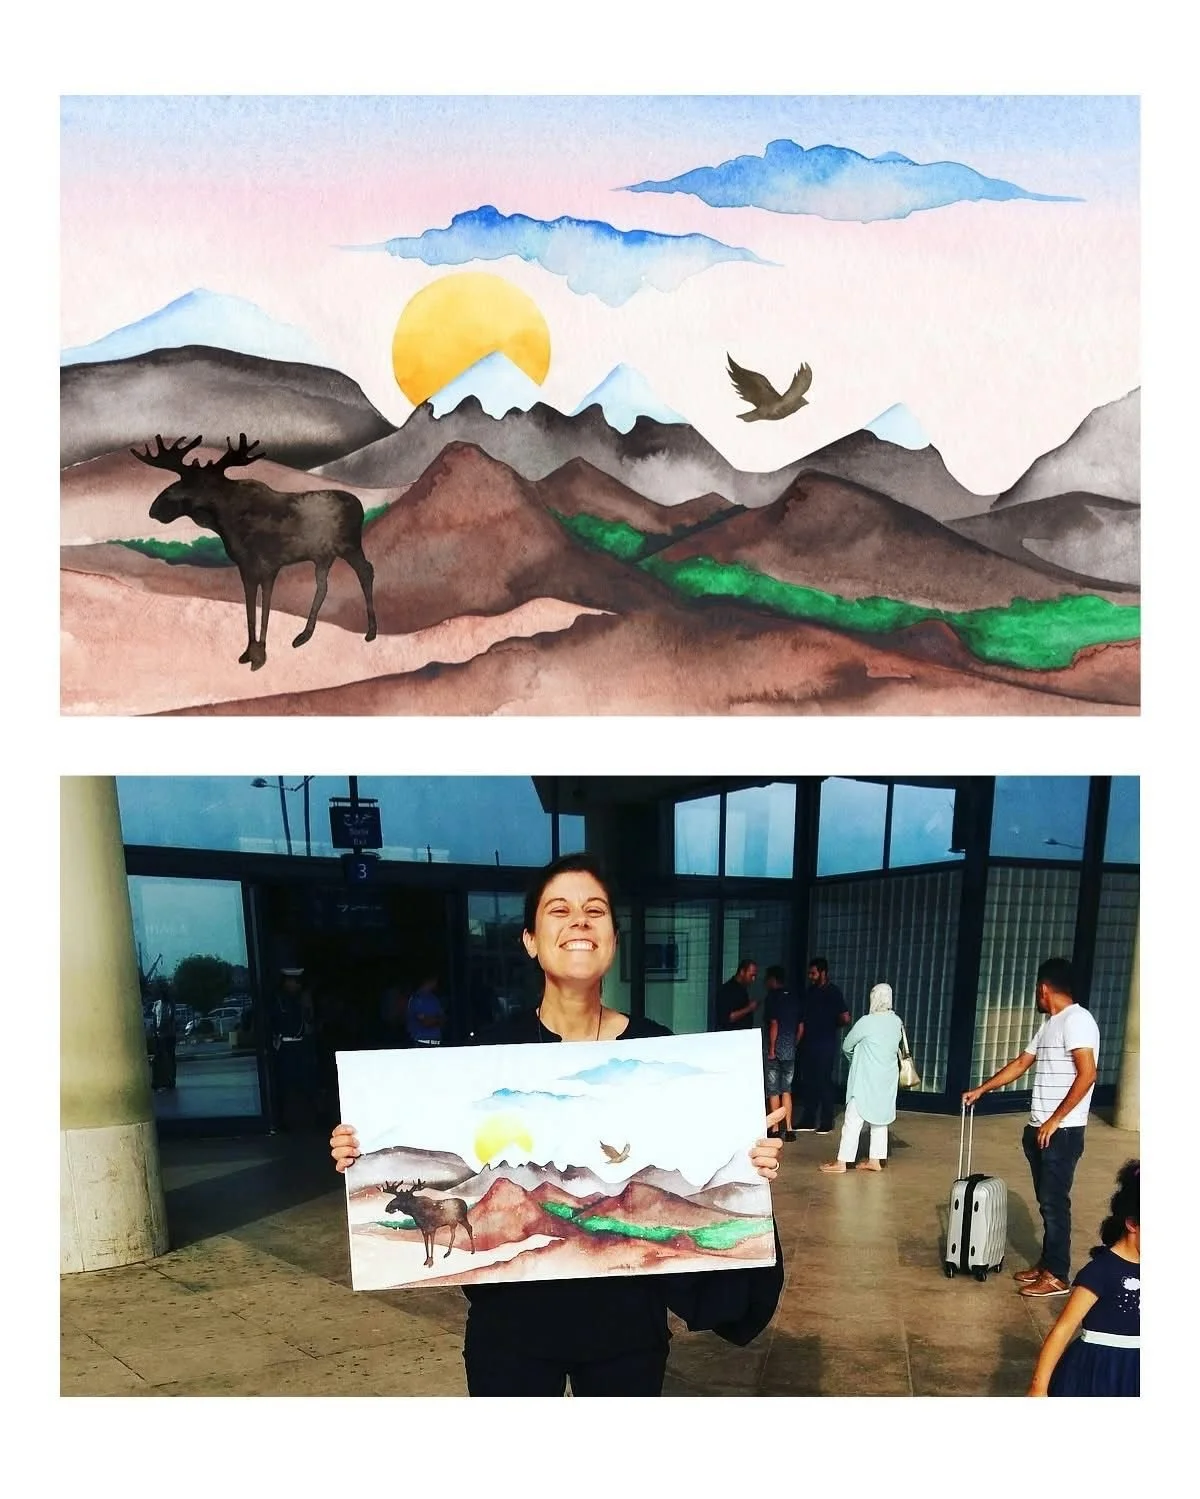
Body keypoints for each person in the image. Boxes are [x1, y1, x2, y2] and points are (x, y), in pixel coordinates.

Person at [331, 852, 786, 1398]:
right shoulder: (483, 1056)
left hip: (627, 1327)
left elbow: (704, 1158)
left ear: (613, 939)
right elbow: (420, 1134)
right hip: (512, 1328)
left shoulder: (661, 1050)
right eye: (559, 910)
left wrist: (748, 1157)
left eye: (594, 911)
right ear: (529, 939)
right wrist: (359, 1149)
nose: (579, 922)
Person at [962, 956, 1099, 1298]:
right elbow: (1022, 1063)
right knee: (1046, 1201)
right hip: (1040, 1128)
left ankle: (1057, 1275)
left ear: (1043, 988)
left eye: (1036, 991)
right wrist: (982, 1089)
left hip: (1061, 1132)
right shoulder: (1051, 1023)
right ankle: (1047, 1263)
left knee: (1055, 1204)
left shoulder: (1078, 1020)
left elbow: (1088, 1073)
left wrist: (1055, 1119)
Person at [1028, 1160, 1139, 1396]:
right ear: (1132, 1224)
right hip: (1098, 1371)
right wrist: (1039, 1387)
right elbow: (1063, 1329)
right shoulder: (1101, 1270)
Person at [820, 982, 902, 1173]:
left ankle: (842, 1162)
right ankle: (875, 1160)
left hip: (865, 1078)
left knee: (853, 1118)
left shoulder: (867, 1022)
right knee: (880, 1121)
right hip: (887, 1078)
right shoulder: (896, 1021)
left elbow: (847, 1045)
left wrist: (855, 1059)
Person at [795, 957, 850, 1134]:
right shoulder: (809, 992)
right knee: (809, 1081)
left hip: (825, 1043)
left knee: (824, 1081)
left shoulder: (833, 992)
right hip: (808, 1044)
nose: (811, 976)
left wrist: (832, 1024)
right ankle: (808, 1119)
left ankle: (826, 1120)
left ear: (823, 972)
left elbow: (845, 1017)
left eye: (813, 973)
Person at [272, 967, 319, 1130]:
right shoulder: (279, 1001)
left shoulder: (299, 999)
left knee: (306, 1085)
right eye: (295, 982)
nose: (297, 985)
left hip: (301, 1046)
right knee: (289, 1087)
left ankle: (308, 1119)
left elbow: (308, 1023)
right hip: (287, 1048)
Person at [763, 966, 801, 1140]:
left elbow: (774, 1025)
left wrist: (771, 1049)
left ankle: (776, 1127)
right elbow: (801, 1027)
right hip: (790, 1051)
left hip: (776, 1051)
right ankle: (790, 1128)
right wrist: (794, 1044)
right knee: (787, 1089)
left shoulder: (772, 998)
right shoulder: (794, 998)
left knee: (773, 1090)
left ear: (773, 979)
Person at [715, 957, 758, 1031]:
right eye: (751, 975)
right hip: (732, 1038)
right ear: (742, 972)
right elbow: (728, 1017)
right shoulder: (727, 990)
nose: (753, 979)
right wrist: (749, 1008)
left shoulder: (742, 989)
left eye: (755, 976)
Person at [150, 979, 177, 1092]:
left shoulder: (170, 1004)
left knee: (170, 1057)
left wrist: (161, 1028)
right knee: (159, 1057)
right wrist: (155, 1030)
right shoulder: (156, 1004)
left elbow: (170, 1018)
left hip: (168, 1035)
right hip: (159, 1035)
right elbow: (154, 1018)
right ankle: (159, 1081)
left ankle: (170, 1080)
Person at [406, 974, 445, 1047]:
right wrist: (436, 1020)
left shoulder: (434, 999)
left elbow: (443, 1019)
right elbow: (425, 1022)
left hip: (436, 1042)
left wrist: (433, 1020)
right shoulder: (416, 999)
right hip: (421, 1042)